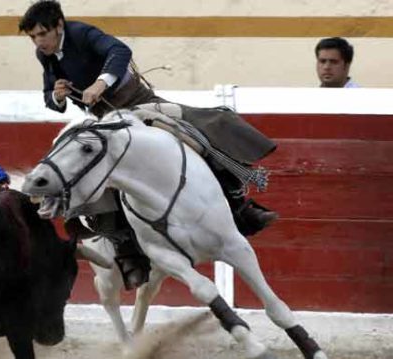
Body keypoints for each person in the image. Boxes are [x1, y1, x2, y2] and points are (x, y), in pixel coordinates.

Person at [20, 0, 278, 290]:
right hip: (105, 122)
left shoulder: (81, 33)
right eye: (33, 37)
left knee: (192, 131)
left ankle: (239, 205)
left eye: (43, 34)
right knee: (96, 177)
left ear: (59, 26)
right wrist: (57, 95)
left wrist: (100, 84)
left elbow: (120, 51)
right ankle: (127, 250)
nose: (39, 42)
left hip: (141, 104)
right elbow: (49, 99)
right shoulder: (47, 56)